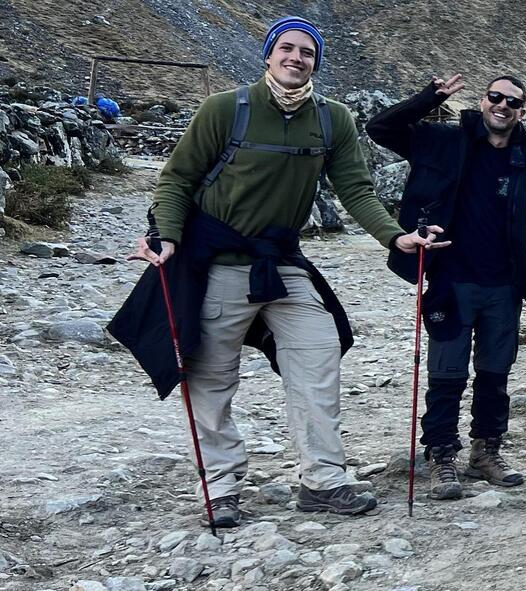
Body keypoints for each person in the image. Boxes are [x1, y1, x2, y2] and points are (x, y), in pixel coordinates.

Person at [114, 16, 442, 526]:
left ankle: (323, 482)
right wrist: (168, 238)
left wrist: (395, 237)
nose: (296, 58)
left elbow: (355, 190)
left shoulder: (333, 119)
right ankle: (220, 487)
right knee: (210, 378)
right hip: (220, 264)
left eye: (307, 52)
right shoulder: (225, 109)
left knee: (319, 357)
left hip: (284, 264)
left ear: (316, 62)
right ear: (267, 56)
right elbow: (177, 180)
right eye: (286, 48)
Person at [367, 73, 526, 501]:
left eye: (513, 101)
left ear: (522, 111)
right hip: (451, 279)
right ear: (484, 102)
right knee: (446, 373)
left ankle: (485, 453)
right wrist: (428, 98)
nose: (502, 105)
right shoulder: (443, 140)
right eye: (495, 97)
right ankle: (441, 456)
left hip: (503, 285)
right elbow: (380, 128)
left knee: (495, 374)